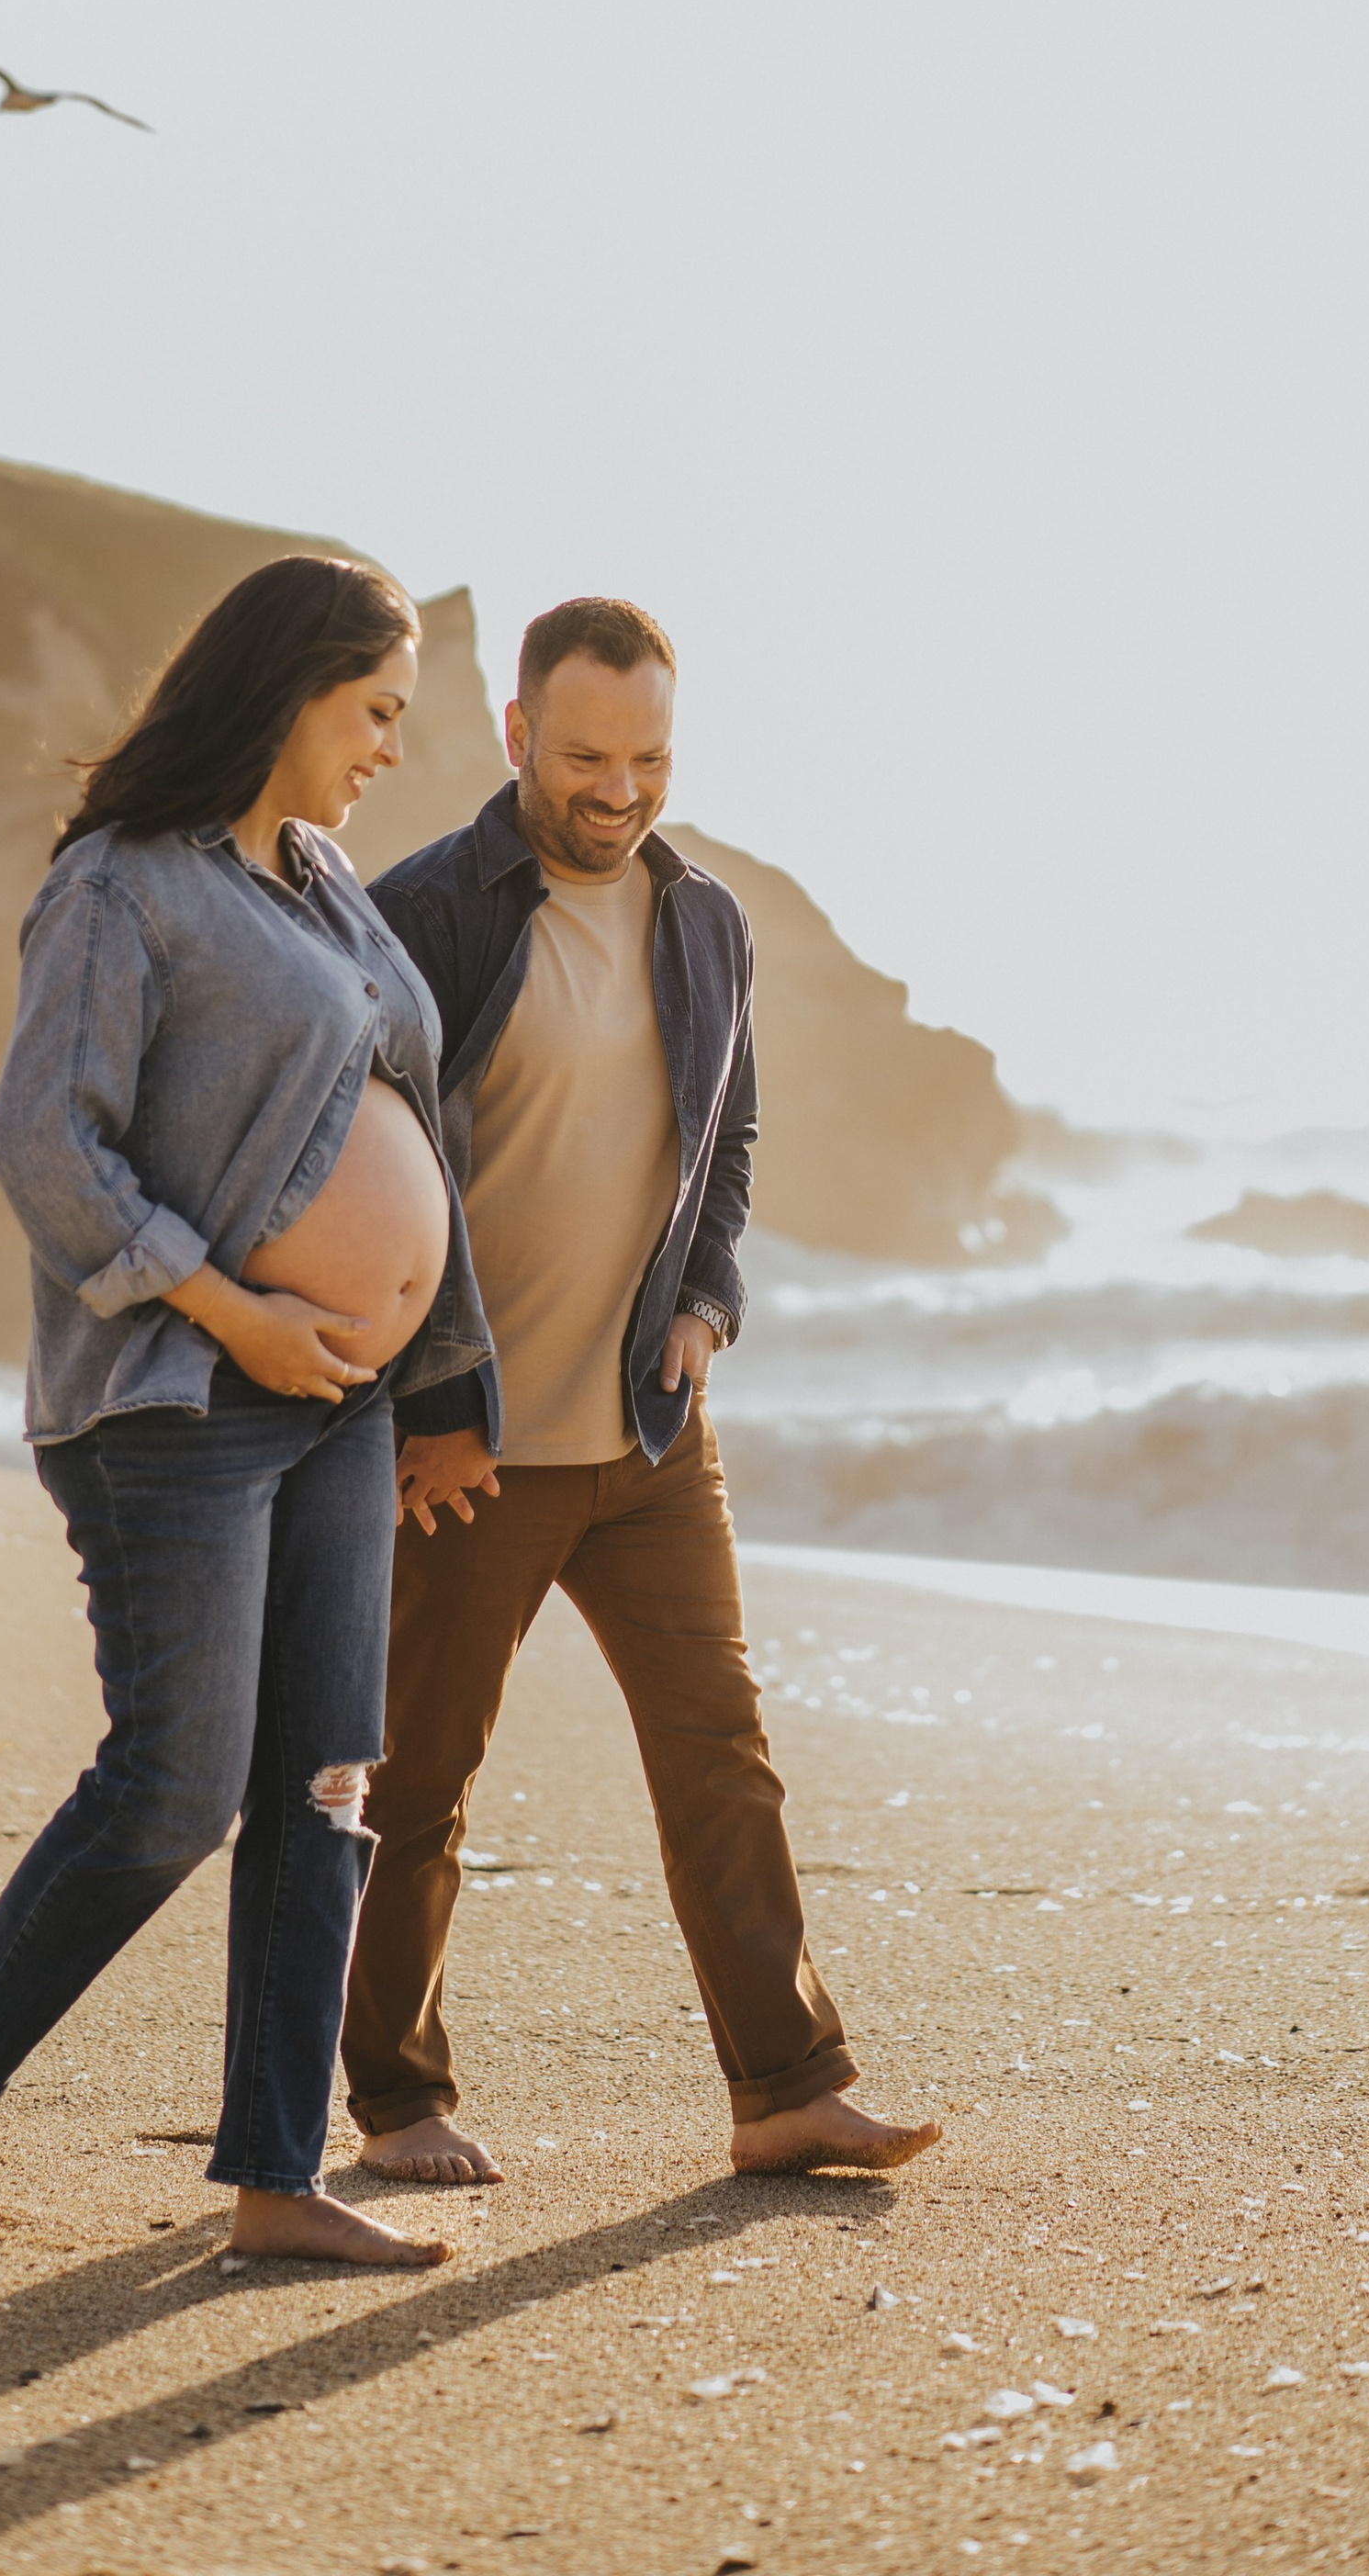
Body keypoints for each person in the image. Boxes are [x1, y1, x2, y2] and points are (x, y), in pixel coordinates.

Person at [0, 556, 494, 2267]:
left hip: (344, 1404)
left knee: (324, 1782)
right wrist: (238, 1310)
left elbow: (413, 1120)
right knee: (175, 1785)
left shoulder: (323, 882)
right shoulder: (121, 884)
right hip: (178, 1400)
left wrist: (438, 1370)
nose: (392, 746)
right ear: (292, 689)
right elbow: (45, 1144)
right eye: (376, 709)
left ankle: (276, 2179)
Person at [342, 596, 938, 2185]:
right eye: (588, 756)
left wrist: (706, 1299)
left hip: (651, 1437)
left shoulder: (706, 922)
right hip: (473, 1444)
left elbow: (727, 1133)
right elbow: (365, 1171)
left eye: (651, 759)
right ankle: (397, 2104)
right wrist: (423, 1400)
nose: (620, 790)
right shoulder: (425, 916)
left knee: (720, 1755)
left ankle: (788, 2088)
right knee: (417, 1782)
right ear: (520, 734)